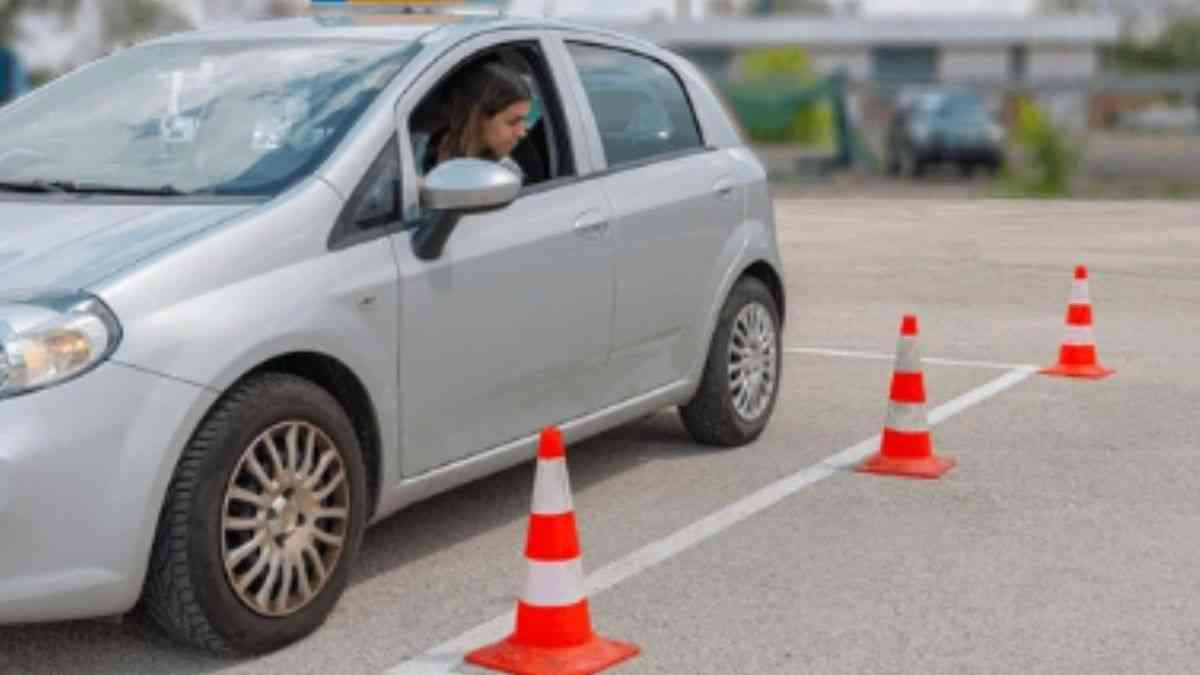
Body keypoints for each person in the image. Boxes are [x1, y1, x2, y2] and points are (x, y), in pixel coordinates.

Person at [421, 61, 532, 182]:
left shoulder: (507, 174)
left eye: (523, 120)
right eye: (512, 122)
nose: (522, 132)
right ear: (477, 117)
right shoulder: (416, 153)